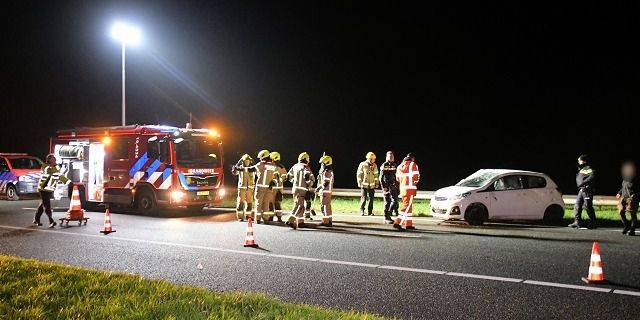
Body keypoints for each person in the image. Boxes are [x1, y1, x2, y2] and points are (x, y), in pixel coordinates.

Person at [33, 154, 69, 228]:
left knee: (43, 204)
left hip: (49, 189)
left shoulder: (55, 168)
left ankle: (36, 219)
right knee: (47, 205)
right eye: (52, 160)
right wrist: (57, 166)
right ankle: (51, 221)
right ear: (48, 160)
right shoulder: (45, 167)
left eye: (54, 160)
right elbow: (51, 172)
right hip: (43, 188)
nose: (54, 161)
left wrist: (69, 182)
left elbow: (59, 176)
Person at [286, 152, 314, 229]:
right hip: (302, 190)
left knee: (300, 206)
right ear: (307, 159)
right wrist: (309, 185)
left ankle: (300, 222)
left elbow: (288, 176)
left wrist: (295, 181)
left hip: (295, 189)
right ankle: (290, 220)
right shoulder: (307, 168)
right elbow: (311, 180)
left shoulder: (295, 166)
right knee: (299, 206)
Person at [569, 154, 597, 229]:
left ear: (584, 161)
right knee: (577, 205)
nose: (578, 161)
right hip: (581, 190)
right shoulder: (582, 169)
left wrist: (584, 183)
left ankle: (593, 223)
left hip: (587, 190)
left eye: (579, 160)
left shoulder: (588, 168)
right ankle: (577, 222)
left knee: (588, 206)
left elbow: (593, 176)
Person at [394, 153, 420, 230]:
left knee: (408, 207)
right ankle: (397, 223)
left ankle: (408, 224)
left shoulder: (400, 166)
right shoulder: (413, 164)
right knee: (406, 206)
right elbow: (416, 177)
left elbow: (397, 179)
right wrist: (414, 182)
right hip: (410, 189)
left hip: (402, 189)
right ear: (412, 158)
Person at [253, 150, 278, 224]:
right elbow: (276, 177)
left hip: (260, 186)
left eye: (260, 157)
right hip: (269, 188)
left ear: (263, 156)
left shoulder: (261, 164)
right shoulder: (273, 165)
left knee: (258, 203)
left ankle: (257, 219)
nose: (260, 159)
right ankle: (266, 218)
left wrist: (240, 168)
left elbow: (252, 169)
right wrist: (273, 183)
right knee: (266, 203)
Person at [231, 154, 255, 221]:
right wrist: (236, 165)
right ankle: (240, 217)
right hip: (242, 188)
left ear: (250, 161)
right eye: (245, 161)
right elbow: (235, 172)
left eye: (248, 161)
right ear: (243, 161)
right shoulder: (240, 168)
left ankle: (248, 216)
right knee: (241, 203)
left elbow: (258, 171)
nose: (247, 162)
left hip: (250, 188)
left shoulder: (253, 168)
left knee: (249, 203)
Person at [617, 161, 638, 236]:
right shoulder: (625, 178)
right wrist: (619, 193)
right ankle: (626, 225)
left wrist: (634, 195)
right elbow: (623, 187)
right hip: (624, 198)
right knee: (621, 212)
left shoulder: (635, 179)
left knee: (632, 214)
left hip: (631, 199)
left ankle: (632, 229)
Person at [380, 151, 399, 223]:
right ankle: (386, 217)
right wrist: (383, 186)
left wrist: (397, 184)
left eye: (392, 156)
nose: (391, 157)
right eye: (390, 156)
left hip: (393, 186)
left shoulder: (395, 165)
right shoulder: (384, 165)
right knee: (387, 202)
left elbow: (396, 175)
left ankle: (389, 213)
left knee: (395, 201)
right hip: (386, 186)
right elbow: (381, 177)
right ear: (387, 157)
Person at [316, 153, 335, 226]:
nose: (321, 165)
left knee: (325, 206)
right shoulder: (326, 171)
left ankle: (326, 221)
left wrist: (318, 188)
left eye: (322, 164)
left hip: (325, 191)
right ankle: (328, 221)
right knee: (326, 206)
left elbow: (325, 183)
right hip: (325, 191)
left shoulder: (327, 172)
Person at [269, 151, 287, 222]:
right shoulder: (280, 167)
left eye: (271, 158)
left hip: (275, 188)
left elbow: (285, 177)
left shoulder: (280, 167)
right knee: (273, 203)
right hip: (275, 188)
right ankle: (273, 217)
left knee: (275, 203)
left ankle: (277, 217)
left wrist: (277, 180)